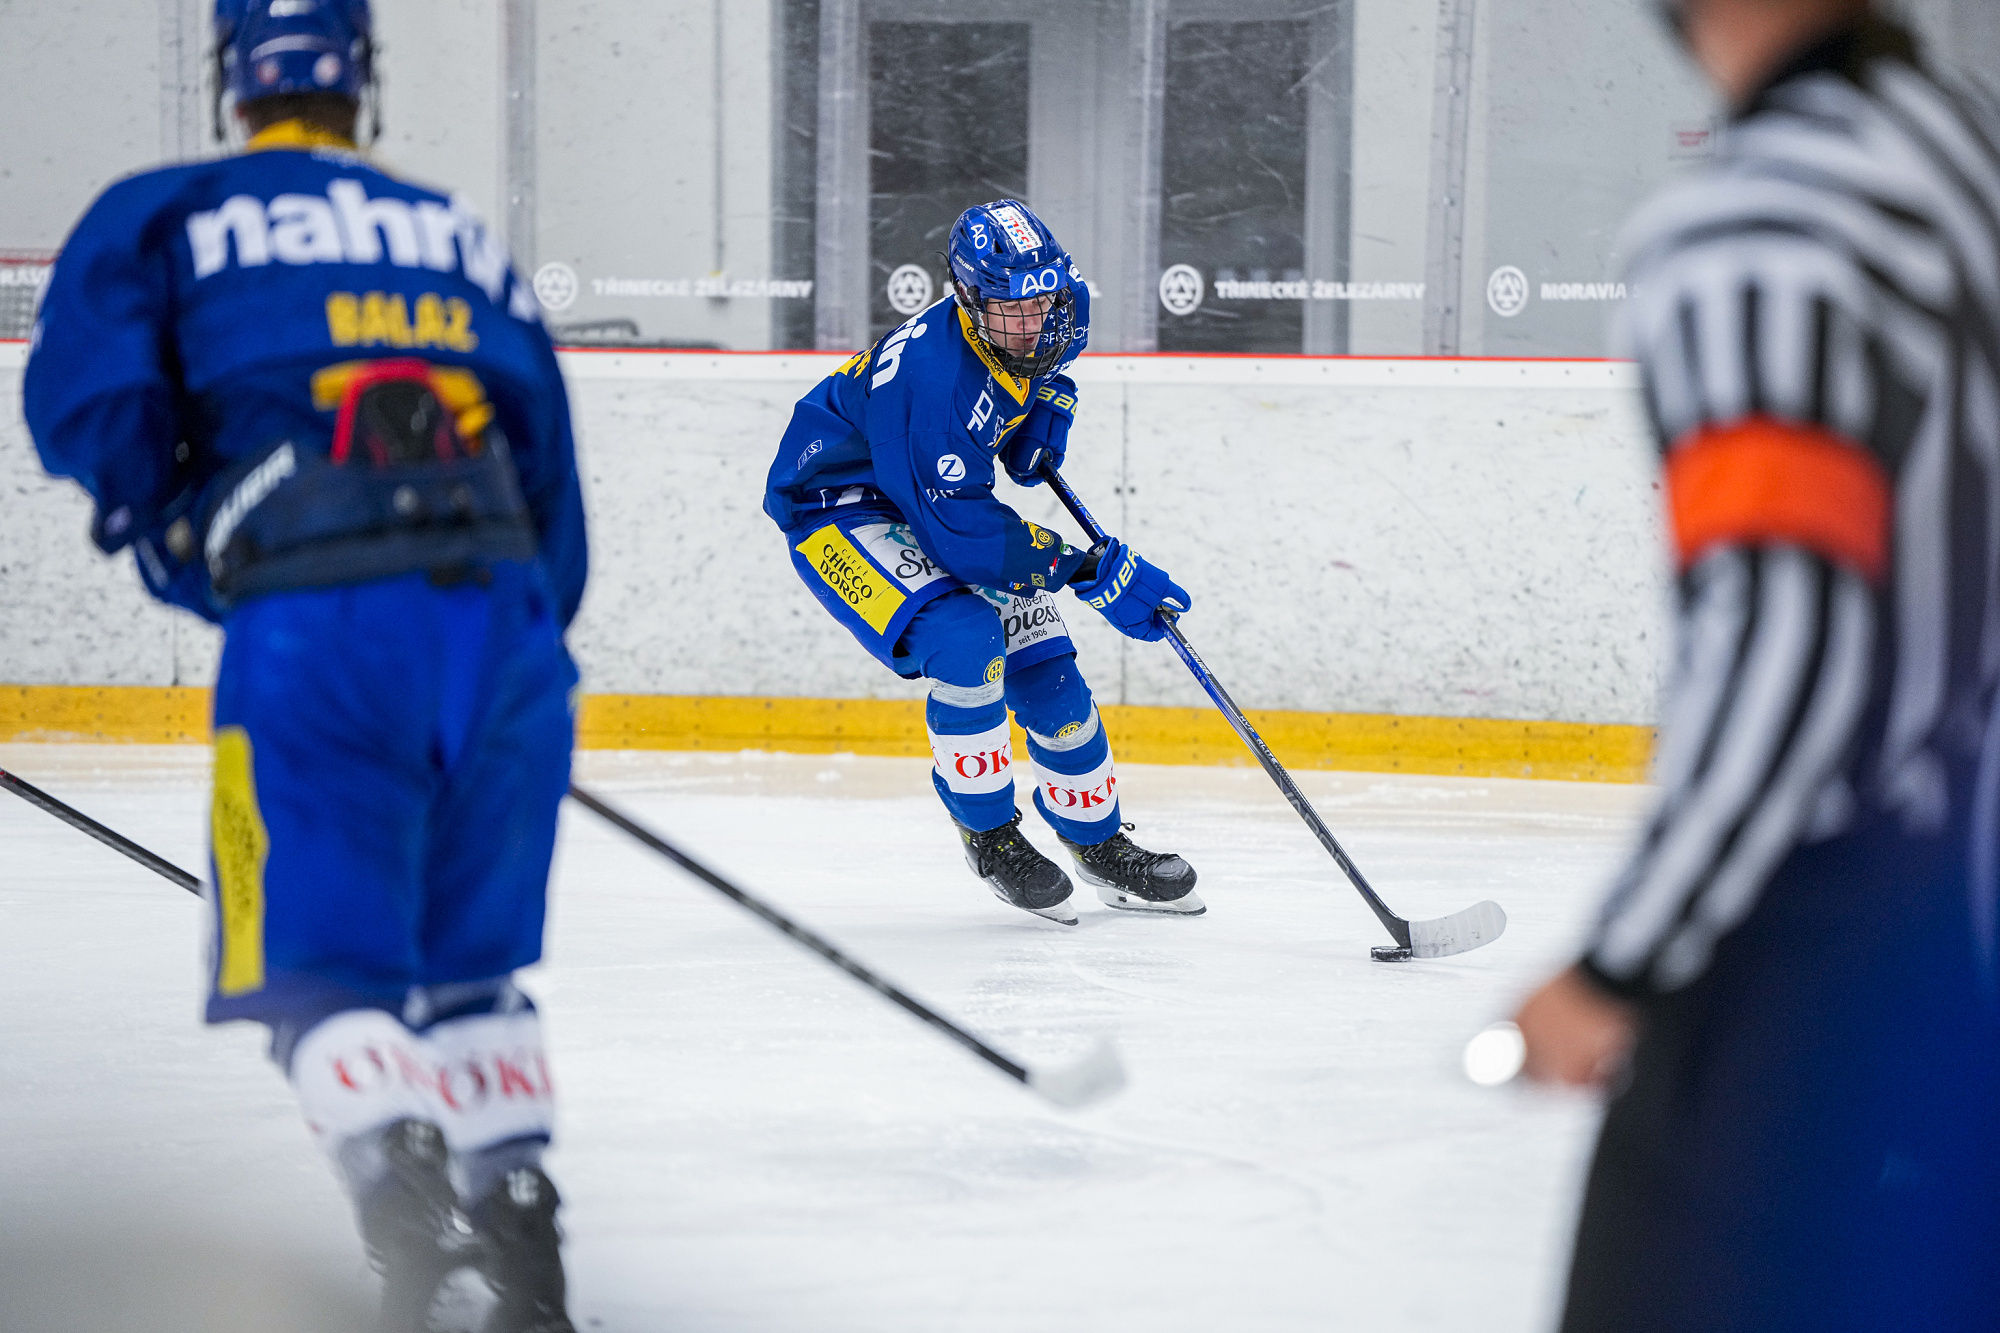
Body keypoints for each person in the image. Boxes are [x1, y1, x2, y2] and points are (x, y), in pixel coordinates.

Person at [22, 3, 588, 1329]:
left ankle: (409, 1216)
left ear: (234, 78)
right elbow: (549, 475)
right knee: (469, 970)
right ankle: (521, 1233)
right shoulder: (453, 232)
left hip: (317, 633)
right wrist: (502, 653)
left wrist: (184, 536)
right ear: (361, 79)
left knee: (315, 970)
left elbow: (89, 403)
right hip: (500, 626)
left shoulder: (165, 214)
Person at [1513, 1, 2000, 1328]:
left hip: (1836, 966)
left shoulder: (1764, 220)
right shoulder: (1960, 150)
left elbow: (1794, 640)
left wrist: (1626, 962)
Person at [764, 200, 1202, 923]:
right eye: (1011, 309)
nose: (1032, 324)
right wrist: (1088, 572)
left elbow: (1045, 364)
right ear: (968, 298)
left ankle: (1097, 841)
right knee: (967, 640)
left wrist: (1048, 404)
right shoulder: (933, 384)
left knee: (1050, 676)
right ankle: (991, 837)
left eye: (1041, 303)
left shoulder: (1034, 318)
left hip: (929, 495)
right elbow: (963, 536)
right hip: (841, 508)